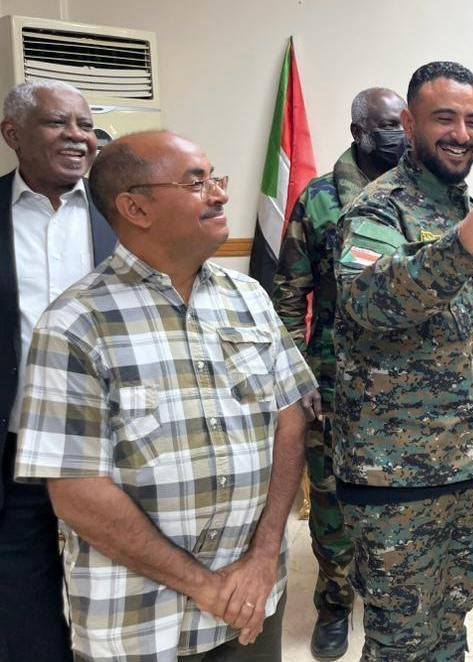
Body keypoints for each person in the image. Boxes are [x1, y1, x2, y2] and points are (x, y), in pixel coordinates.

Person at [15, 130, 318, 661]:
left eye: (214, 177)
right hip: (140, 621)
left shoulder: (249, 298)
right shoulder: (74, 324)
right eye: (196, 182)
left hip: (254, 600)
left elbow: (290, 420)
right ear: (135, 208)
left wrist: (264, 555)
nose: (220, 193)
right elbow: (76, 490)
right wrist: (204, 586)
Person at [332, 61, 473, 660]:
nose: (462, 134)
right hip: (398, 476)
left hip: (472, 465)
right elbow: (369, 299)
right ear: (409, 123)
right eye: (444, 118)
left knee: (451, 619)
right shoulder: (380, 208)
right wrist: (467, 243)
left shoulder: (471, 210)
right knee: (401, 638)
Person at [270, 85, 405, 660]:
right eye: (389, 125)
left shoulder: (421, 192)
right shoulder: (321, 199)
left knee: (395, 495)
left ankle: (385, 589)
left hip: (409, 383)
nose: (400, 135)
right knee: (330, 495)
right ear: (359, 132)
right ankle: (333, 599)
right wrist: (297, 379)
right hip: (334, 379)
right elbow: (288, 296)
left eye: (404, 124)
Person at [0, 79, 114, 662]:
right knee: (20, 587)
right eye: (57, 123)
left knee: (118, 584)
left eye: (85, 125)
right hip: (17, 444)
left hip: (113, 443)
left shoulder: (124, 212)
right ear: (12, 134)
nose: (77, 137)